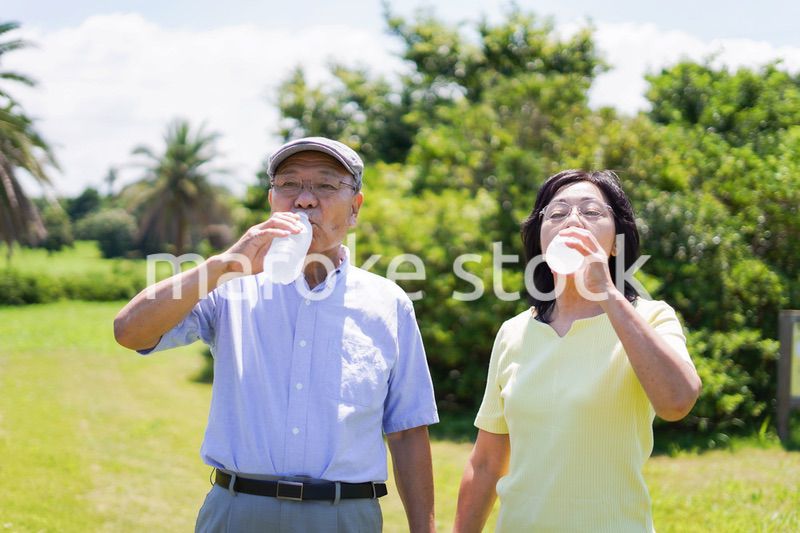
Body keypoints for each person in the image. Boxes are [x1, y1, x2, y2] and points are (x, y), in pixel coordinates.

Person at [114, 137, 439, 533]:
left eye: (325, 185)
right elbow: (130, 331)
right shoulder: (229, 283)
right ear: (272, 201)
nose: (304, 200)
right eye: (289, 184)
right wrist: (220, 266)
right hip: (238, 511)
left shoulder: (388, 302)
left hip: (344, 517)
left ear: (355, 208)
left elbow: (407, 431)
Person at [453, 170, 702, 532]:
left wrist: (607, 293)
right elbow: (487, 463)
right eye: (556, 214)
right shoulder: (513, 332)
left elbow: (677, 401)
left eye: (591, 212)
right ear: (540, 239)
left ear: (615, 243)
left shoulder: (651, 317)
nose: (573, 220)